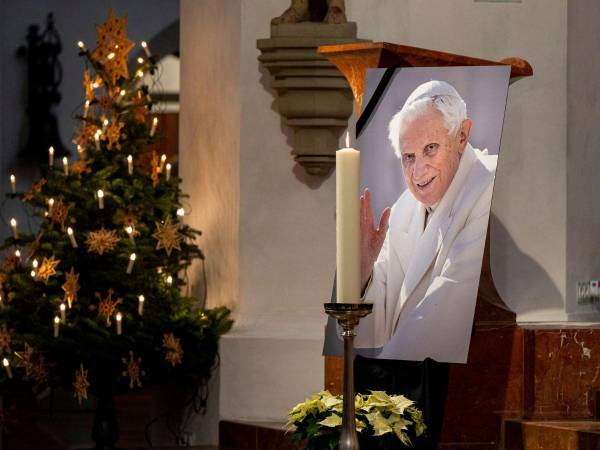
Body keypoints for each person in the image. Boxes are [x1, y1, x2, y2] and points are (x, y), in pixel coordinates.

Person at [353, 80, 497, 449]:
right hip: (404, 383)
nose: (418, 172)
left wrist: (380, 383)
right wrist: (364, 271)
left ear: (462, 136)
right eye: (408, 156)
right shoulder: (404, 208)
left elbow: (449, 296)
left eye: (430, 148)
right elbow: (379, 313)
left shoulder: (485, 183)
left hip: (445, 388)